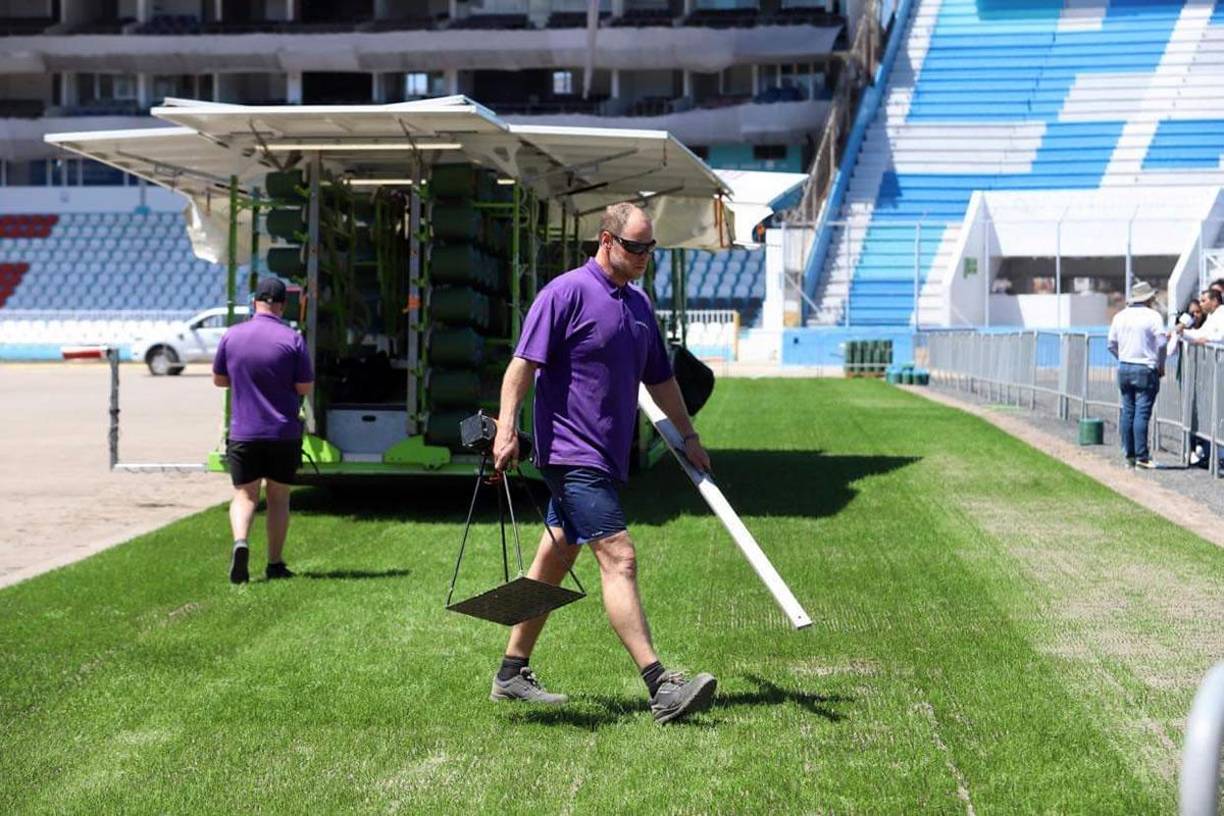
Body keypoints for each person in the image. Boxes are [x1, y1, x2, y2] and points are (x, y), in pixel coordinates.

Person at [488, 202, 717, 724]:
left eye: (650, 247)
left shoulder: (638, 306)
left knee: (554, 558)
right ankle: (661, 687)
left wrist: (689, 434)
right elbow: (521, 367)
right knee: (620, 557)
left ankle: (511, 672)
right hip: (571, 452)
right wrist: (506, 428)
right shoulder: (565, 292)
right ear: (607, 240)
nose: (644, 256)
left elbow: (661, 379)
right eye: (636, 246)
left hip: (608, 455)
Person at [212, 277, 313, 584]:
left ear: (254, 301)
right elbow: (304, 386)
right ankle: (274, 563)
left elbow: (219, 379)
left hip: (244, 431)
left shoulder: (232, 336)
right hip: (282, 432)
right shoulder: (292, 339)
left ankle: (241, 541)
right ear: (282, 305)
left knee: (244, 494)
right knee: (279, 497)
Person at [1107, 280, 1166, 469]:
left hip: (1125, 366)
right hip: (1145, 367)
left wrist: (1122, 357)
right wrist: (1160, 363)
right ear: (1149, 298)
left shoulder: (1120, 316)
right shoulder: (1153, 316)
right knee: (1142, 412)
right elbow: (1162, 343)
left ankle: (1129, 454)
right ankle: (1142, 455)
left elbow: (1111, 344)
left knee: (1128, 411)